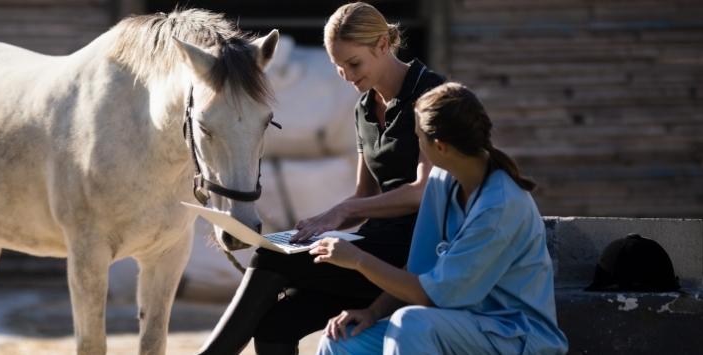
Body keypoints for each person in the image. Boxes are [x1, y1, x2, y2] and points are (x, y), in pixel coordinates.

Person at [198, 3, 445, 354]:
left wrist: (341, 213)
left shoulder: (431, 95)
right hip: (374, 242)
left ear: (382, 45)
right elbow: (364, 194)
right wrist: (320, 224)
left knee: (272, 260)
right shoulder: (363, 107)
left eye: (353, 64)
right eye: (337, 66)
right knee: (276, 324)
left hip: (418, 249)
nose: (345, 75)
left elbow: (424, 192)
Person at [309, 82, 569, 354]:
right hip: (454, 328)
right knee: (340, 340)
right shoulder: (442, 180)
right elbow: (417, 271)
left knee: (411, 323)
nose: (418, 145)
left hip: (514, 337)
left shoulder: (500, 206)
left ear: (440, 147)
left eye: (419, 138)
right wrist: (373, 312)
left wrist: (358, 260)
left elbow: (431, 296)